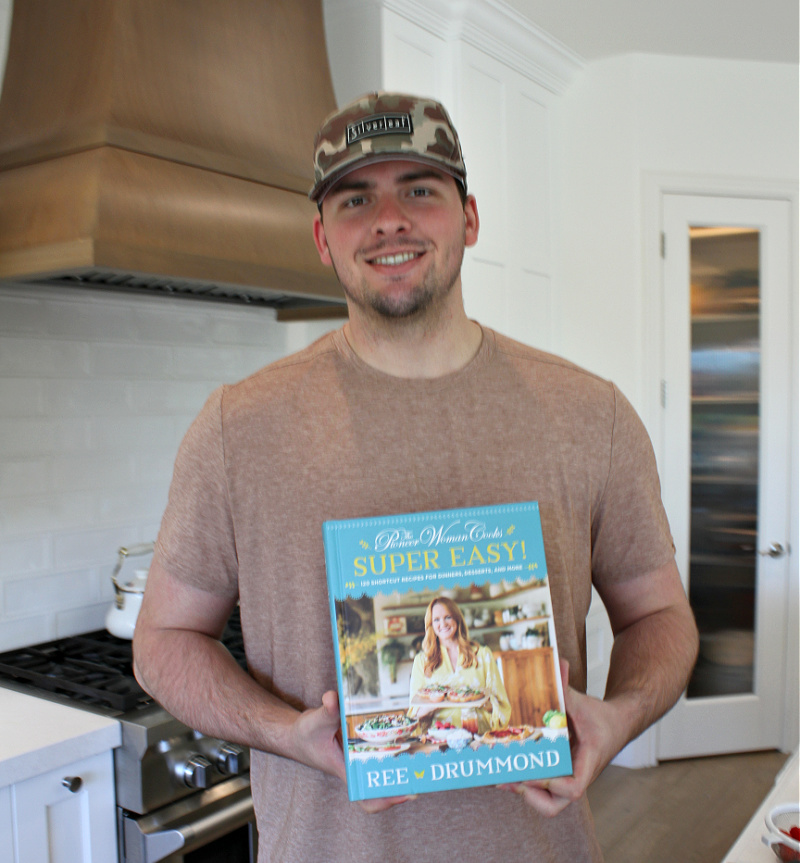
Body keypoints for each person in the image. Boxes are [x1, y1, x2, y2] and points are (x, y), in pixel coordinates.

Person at [133, 91, 699, 862]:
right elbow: (162, 639)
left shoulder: (589, 413)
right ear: (322, 238)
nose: (388, 219)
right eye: (355, 197)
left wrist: (619, 716)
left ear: (469, 218)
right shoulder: (239, 426)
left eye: (420, 191)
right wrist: (286, 733)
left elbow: (659, 614)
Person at [408, 596, 512, 733]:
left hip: (479, 734)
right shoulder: (422, 662)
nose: (443, 624)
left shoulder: (482, 655)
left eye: (448, 617)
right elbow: (414, 715)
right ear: (431, 625)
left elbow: (501, 704)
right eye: (436, 620)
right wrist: (433, 703)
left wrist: (484, 704)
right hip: (441, 736)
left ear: (457, 619)